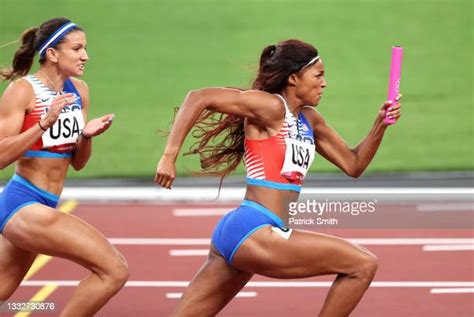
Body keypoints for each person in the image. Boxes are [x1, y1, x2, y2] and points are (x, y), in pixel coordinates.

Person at [155, 39, 401, 316]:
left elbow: (353, 164)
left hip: (245, 232)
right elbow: (198, 97)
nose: (324, 83)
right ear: (294, 78)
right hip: (254, 228)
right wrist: (169, 155)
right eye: (318, 75)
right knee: (362, 264)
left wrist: (380, 125)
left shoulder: (310, 120)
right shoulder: (271, 107)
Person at [0, 17, 128, 316]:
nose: (86, 56)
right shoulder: (23, 90)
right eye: (77, 48)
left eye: (85, 48)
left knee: (3, 289)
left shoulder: (79, 90)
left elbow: (79, 164)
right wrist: (44, 123)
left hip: (48, 203)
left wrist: (86, 136)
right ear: (53, 54)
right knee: (114, 270)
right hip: (23, 203)